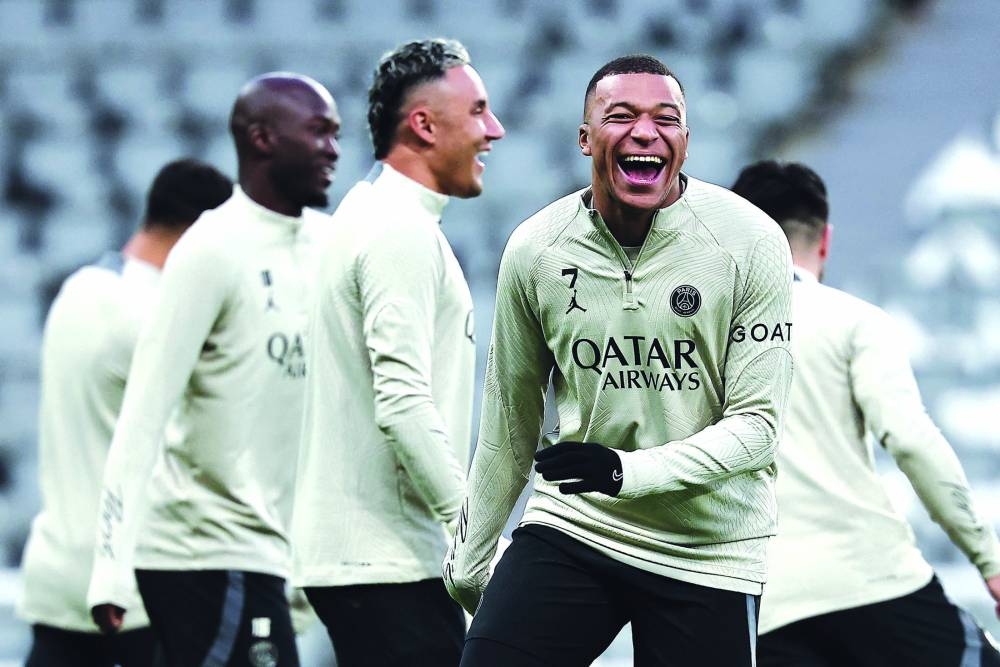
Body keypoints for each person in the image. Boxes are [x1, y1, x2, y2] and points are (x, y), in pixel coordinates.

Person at [444, 54, 794, 667]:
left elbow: (757, 430)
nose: (645, 132)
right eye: (621, 115)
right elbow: (508, 424)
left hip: (708, 546)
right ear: (585, 138)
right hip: (578, 525)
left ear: (685, 141)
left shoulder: (750, 241)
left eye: (667, 119)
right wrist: (472, 565)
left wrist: (625, 472)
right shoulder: (536, 249)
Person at [86, 72, 340, 667]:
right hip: (201, 549)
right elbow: (143, 413)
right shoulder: (212, 249)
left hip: (269, 552)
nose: (333, 148)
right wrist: (110, 568)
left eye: (336, 134)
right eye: (318, 132)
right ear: (262, 140)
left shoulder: (331, 245)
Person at [730, 159, 1000, 666]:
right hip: (871, 581)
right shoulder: (854, 320)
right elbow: (912, 441)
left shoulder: (694, 338)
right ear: (825, 240)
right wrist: (989, 558)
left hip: (762, 605)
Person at [289, 38, 504, 667]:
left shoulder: (366, 214)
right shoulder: (398, 232)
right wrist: (477, 542)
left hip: (367, 560)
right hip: (384, 561)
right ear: (424, 124)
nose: (494, 129)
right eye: (478, 112)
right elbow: (404, 406)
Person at [17, 159, 232, 667]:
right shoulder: (153, 317)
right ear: (200, 237)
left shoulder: (78, 289)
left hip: (56, 579)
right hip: (130, 594)